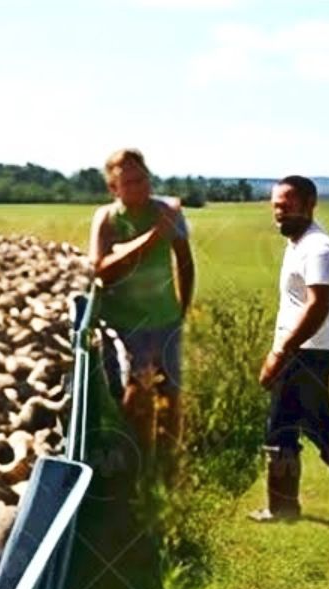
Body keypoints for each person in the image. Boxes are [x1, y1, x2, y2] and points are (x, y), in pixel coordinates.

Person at [249, 175, 329, 527]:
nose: (279, 212)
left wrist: (281, 352)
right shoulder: (299, 244)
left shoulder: (317, 247)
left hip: (306, 351)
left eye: (287, 206)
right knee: (304, 425)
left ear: (309, 205)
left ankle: (293, 507)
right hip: (303, 349)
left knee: (290, 426)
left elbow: (317, 306)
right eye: (276, 206)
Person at [88, 148, 195, 471]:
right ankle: (137, 464)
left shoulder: (167, 213)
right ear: (113, 189)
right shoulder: (106, 219)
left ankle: (166, 466)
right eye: (130, 182)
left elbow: (185, 261)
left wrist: (182, 308)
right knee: (135, 397)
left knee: (170, 394)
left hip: (165, 320)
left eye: (143, 179)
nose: (140, 187)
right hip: (122, 324)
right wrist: (152, 237)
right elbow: (102, 269)